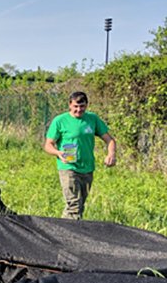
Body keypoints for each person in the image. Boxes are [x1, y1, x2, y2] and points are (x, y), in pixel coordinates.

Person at [44, 91, 116, 220]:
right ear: (70, 105)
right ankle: (70, 237)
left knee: (79, 205)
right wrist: (58, 153)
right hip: (68, 167)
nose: (79, 110)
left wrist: (111, 154)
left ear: (87, 105)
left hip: (87, 168)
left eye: (82, 106)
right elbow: (48, 145)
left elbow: (110, 140)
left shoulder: (92, 119)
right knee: (74, 206)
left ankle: (60, 231)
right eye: (76, 106)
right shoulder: (60, 121)